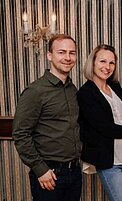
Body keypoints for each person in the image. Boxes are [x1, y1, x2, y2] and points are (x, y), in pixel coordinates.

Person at [12, 34, 82, 201]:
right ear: (49, 56)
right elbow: (20, 134)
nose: (67, 57)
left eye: (72, 53)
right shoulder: (36, 91)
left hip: (74, 172)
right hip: (49, 173)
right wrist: (40, 169)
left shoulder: (72, 90)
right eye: (62, 52)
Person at [77, 44, 122, 201]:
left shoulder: (115, 86)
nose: (107, 67)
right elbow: (105, 128)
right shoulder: (86, 93)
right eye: (102, 61)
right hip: (110, 162)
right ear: (93, 63)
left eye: (111, 63)